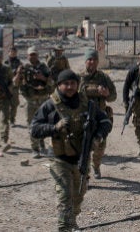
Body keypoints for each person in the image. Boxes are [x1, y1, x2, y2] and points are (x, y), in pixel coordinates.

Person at [31, 69, 112, 232]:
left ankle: (72, 221)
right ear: (59, 85)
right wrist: (54, 128)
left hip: (81, 158)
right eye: (65, 84)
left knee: (78, 196)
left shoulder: (87, 105)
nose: (69, 87)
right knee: (64, 197)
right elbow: (34, 129)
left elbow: (105, 121)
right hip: (59, 159)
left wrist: (98, 136)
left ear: (77, 85)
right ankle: (64, 227)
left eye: (73, 83)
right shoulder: (50, 105)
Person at [78, 48, 116, 179]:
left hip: (100, 118)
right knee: (84, 145)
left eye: (94, 59)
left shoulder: (104, 77)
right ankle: (84, 173)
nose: (92, 62)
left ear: (98, 61)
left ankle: (96, 166)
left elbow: (114, 96)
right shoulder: (79, 78)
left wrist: (107, 94)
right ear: (85, 61)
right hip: (84, 117)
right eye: (89, 59)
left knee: (100, 145)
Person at [18, 46, 54, 158]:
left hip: (43, 100)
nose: (32, 57)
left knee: (43, 124)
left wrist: (43, 78)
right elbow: (16, 83)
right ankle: (35, 149)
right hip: (30, 100)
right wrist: (18, 74)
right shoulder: (24, 68)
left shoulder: (44, 68)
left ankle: (41, 141)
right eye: (30, 54)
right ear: (27, 56)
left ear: (37, 55)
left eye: (34, 54)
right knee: (32, 124)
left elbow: (52, 83)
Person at [4, 46, 23, 125]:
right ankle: (6, 119)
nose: (13, 54)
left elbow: (22, 73)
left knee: (14, 104)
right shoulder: (5, 63)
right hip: (6, 86)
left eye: (14, 52)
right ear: (9, 53)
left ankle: (12, 120)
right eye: (11, 52)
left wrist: (18, 73)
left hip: (15, 86)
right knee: (6, 103)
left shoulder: (19, 63)